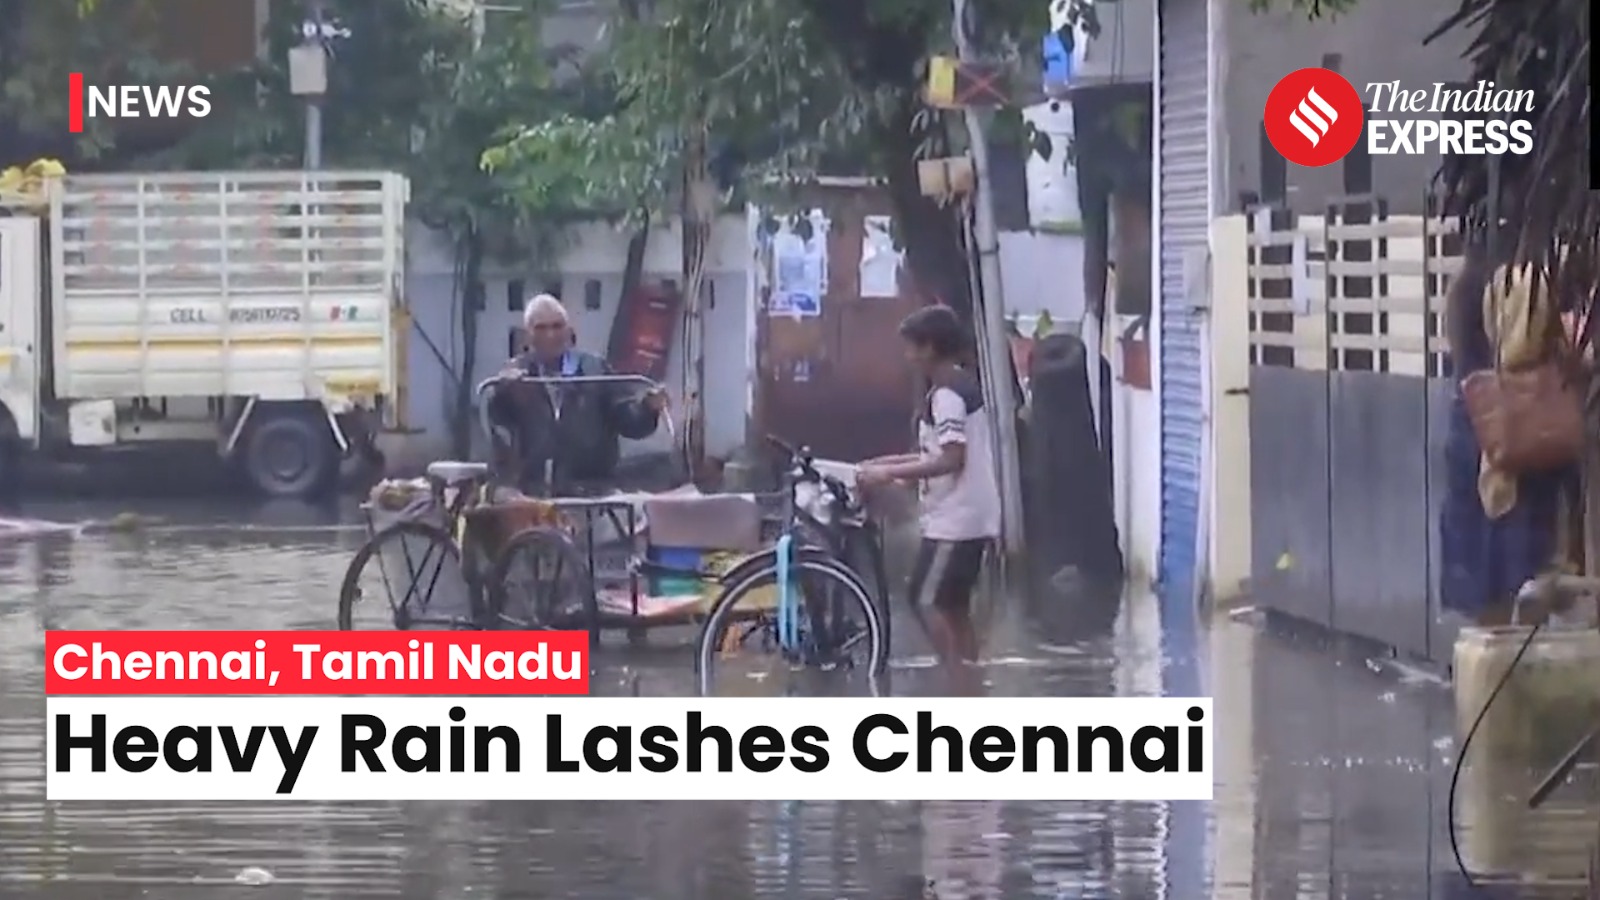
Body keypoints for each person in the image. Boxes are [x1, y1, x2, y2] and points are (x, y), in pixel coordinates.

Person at [857, 305, 1000, 692]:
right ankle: (971, 681)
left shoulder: (949, 396)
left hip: (959, 519)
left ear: (931, 348)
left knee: (924, 599)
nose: (908, 356)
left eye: (912, 348)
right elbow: (934, 454)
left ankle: (961, 681)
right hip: (967, 514)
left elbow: (952, 459)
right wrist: (883, 463)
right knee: (953, 607)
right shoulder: (952, 388)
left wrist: (889, 474)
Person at [487, 294, 668, 495]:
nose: (550, 335)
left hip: (593, 489)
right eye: (541, 328)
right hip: (533, 493)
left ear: (569, 331)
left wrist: (647, 408)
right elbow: (497, 424)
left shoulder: (594, 368)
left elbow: (630, 422)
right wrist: (505, 393)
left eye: (557, 326)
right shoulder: (516, 372)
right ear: (528, 335)